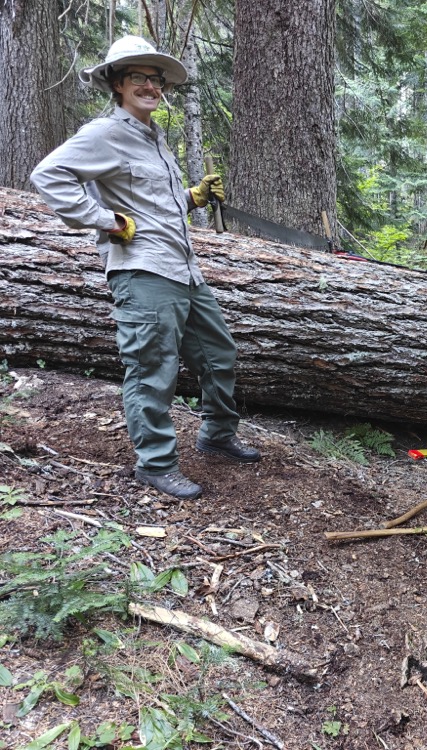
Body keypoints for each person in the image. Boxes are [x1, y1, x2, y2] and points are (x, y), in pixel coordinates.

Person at [30, 36, 259, 501]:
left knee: (218, 355)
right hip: (142, 271)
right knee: (153, 369)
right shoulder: (104, 133)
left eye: (156, 80)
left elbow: (153, 201)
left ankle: (217, 435)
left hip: (184, 269)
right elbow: (47, 175)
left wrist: (192, 197)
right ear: (117, 83)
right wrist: (107, 220)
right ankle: (155, 465)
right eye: (139, 77)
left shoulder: (156, 138)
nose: (151, 87)